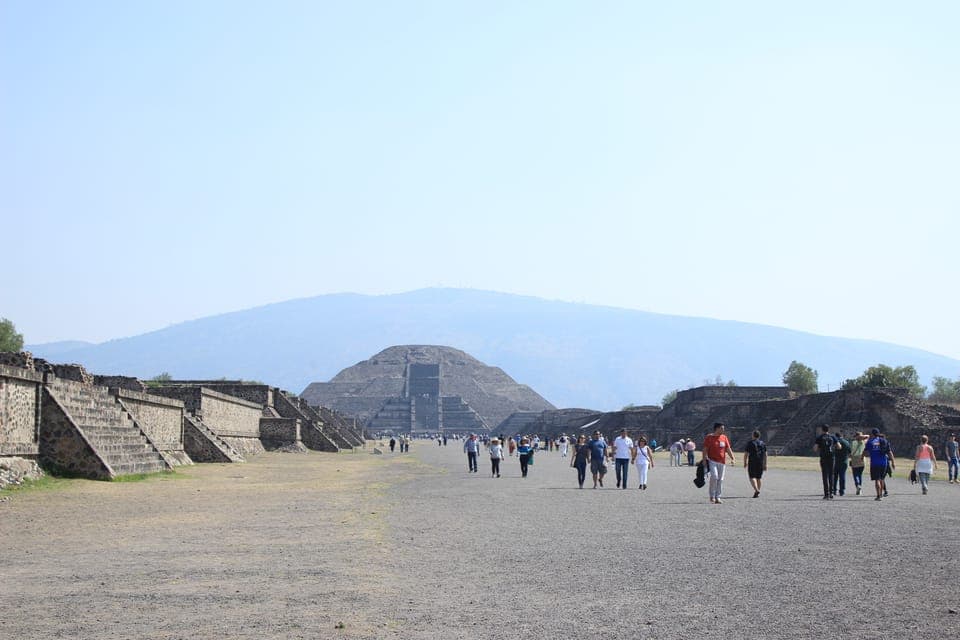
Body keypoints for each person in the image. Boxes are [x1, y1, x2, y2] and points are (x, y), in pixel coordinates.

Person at [701, 423, 735, 504]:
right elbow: (705, 449)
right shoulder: (709, 437)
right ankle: (712, 495)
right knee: (714, 476)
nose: (723, 430)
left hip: (722, 462)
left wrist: (732, 458)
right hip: (712, 460)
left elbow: (728, 448)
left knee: (720, 479)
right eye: (722, 428)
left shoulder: (724, 437)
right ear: (717, 429)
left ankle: (718, 497)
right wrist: (704, 460)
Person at [864, 428, 895, 501]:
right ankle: (881, 494)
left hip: (874, 463)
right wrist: (893, 462)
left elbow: (865, 452)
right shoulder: (884, 441)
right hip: (884, 463)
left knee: (877, 480)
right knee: (882, 479)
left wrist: (863, 456)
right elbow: (889, 452)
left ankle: (878, 495)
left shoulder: (870, 442)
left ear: (872, 434)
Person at [814, 425, 836, 500]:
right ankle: (831, 492)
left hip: (823, 458)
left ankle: (826, 494)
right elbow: (839, 446)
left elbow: (815, 448)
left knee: (824, 475)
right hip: (831, 457)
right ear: (828, 429)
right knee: (831, 475)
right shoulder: (832, 437)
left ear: (822, 430)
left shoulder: (819, 438)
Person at [743, 430, 767, 498]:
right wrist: (765, 464)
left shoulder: (750, 443)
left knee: (752, 477)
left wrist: (745, 462)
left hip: (752, 462)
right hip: (760, 462)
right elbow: (765, 454)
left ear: (753, 435)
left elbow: (746, 454)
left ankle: (756, 490)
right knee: (758, 478)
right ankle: (758, 491)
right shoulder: (763, 443)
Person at [833, 431, 851, 496]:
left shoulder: (836, 442)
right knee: (842, 476)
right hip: (844, 461)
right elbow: (850, 451)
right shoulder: (846, 442)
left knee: (835, 476)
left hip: (837, 461)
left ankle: (834, 490)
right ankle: (842, 491)